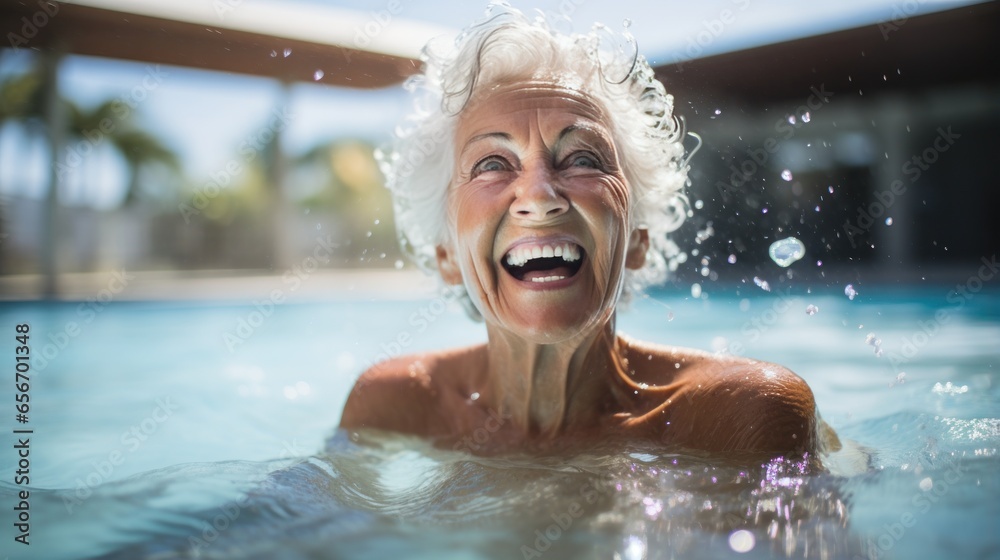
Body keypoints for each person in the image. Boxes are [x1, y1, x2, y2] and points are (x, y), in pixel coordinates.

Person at [340, 4, 838, 460]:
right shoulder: (393, 405)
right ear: (446, 253)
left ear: (639, 239)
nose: (539, 195)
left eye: (582, 158)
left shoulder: (741, 416)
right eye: (492, 163)